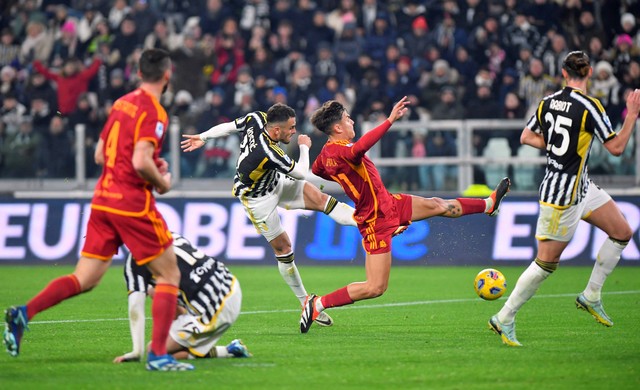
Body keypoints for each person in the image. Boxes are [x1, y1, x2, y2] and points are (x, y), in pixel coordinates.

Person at [3, 48, 194, 371]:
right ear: (167, 75)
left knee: (86, 277)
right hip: (131, 204)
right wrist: (162, 182)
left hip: (102, 199)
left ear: (137, 73)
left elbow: (99, 156)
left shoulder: (122, 103)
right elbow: (139, 160)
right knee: (169, 273)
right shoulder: (155, 111)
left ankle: (25, 312)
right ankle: (159, 355)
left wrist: (143, 162)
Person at [299, 97, 511, 333]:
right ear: (337, 127)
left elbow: (319, 169)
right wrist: (389, 120)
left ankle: (488, 205)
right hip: (374, 220)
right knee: (375, 287)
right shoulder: (344, 151)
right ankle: (317, 303)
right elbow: (360, 148)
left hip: (388, 204)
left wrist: (347, 179)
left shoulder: (327, 154)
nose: (351, 122)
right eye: (347, 118)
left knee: (437, 204)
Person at [488, 51, 640, 347]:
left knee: (622, 232)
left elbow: (526, 137)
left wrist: (557, 147)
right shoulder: (590, 106)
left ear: (563, 72)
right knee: (546, 264)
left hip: (582, 186)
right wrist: (632, 114)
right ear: (590, 72)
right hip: (563, 196)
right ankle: (504, 317)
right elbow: (617, 148)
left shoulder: (546, 102)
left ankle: (591, 295)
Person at [181, 103, 358, 330]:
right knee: (284, 248)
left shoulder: (257, 118)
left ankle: (370, 221)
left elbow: (229, 127)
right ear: (276, 131)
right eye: (291, 128)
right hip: (258, 201)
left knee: (321, 200)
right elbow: (302, 172)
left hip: (275, 182)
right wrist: (304, 147)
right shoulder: (268, 152)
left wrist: (204, 137)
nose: (294, 131)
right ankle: (305, 301)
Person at [114, 233, 251, 363]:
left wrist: (136, 352)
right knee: (155, 290)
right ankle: (227, 347)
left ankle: (227, 351)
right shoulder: (169, 235)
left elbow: (135, 308)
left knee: (155, 350)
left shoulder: (134, 262)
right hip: (230, 284)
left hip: (212, 307)